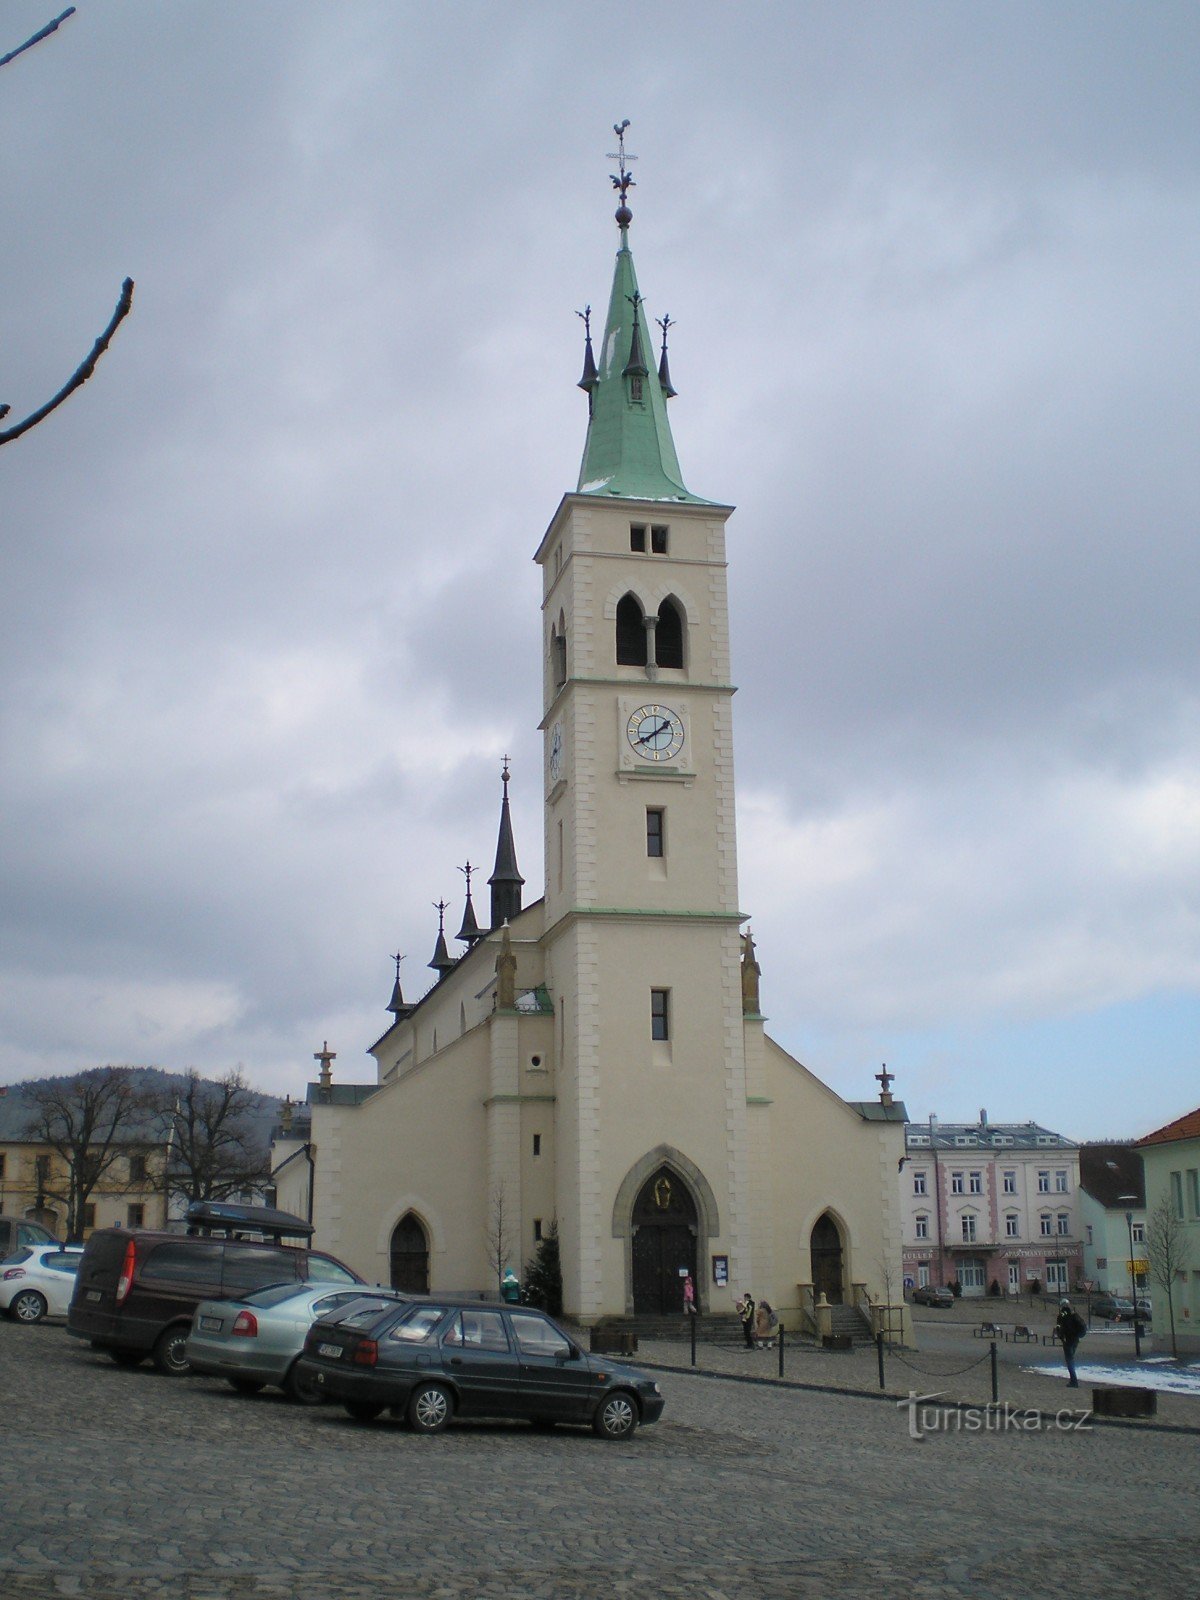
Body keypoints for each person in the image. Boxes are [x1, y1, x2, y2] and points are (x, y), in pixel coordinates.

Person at [1054, 1297, 1087, 1387]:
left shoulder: (1062, 1316)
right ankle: (1073, 1380)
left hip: (1068, 1339)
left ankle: (1074, 1381)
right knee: (1071, 1358)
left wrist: (1061, 1337)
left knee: (1069, 1360)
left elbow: (1059, 1327)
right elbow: (1082, 1326)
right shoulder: (1074, 1314)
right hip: (1075, 1339)